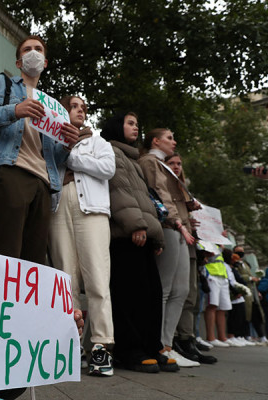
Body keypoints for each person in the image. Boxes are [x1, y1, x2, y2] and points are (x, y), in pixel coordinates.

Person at [0, 35, 79, 265]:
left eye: (38, 49)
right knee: (6, 252)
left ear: (45, 62)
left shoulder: (53, 107)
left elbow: (51, 155)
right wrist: (14, 110)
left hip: (44, 183)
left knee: (34, 261)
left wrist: (67, 145)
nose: (33, 53)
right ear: (18, 62)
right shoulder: (2, 84)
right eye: (27, 49)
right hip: (12, 171)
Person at [100, 113, 175, 373]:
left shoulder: (132, 157)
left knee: (152, 293)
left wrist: (156, 234)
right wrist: (136, 224)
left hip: (142, 232)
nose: (135, 127)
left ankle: (151, 347)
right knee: (130, 295)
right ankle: (130, 351)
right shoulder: (110, 150)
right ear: (115, 127)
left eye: (137, 123)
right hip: (126, 233)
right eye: (130, 123)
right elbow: (118, 190)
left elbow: (144, 198)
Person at [48, 96, 115, 376]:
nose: (80, 110)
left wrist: (71, 155)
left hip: (93, 211)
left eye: (84, 108)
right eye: (74, 106)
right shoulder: (51, 141)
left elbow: (107, 168)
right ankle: (71, 345)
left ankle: (100, 346)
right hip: (59, 208)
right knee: (65, 279)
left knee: (98, 279)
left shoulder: (98, 142)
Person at [138, 128, 200, 368]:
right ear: (155, 141)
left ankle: (167, 344)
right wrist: (176, 220)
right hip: (169, 225)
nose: (174, 142)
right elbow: (159, 195)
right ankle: (159, 345)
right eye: (169, 138)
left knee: (181, 289)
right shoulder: (150, 162)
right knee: (164, 289)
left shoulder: (162, 163)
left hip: (179, 226)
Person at [165, 153, 217, 364]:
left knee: (190, 295)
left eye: (179, 163)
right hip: (176, 240)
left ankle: (187, 338)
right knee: (177, 293)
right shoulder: (166, 188)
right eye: (171, 163)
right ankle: (175, 340)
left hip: (191, 246)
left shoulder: (184, 191)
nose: (176, 166)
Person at [232, 245, 267, 344]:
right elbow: (239, 276)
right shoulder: (235, 264)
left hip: (252, 292)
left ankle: (261, 336)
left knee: (256, 314)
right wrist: (250, 278)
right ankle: (246, 335)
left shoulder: (245, 263)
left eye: (242, 251)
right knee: (246, 315)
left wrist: (256, 286)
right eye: (238, 251)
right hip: (244, 291)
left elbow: (250, 275)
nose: (241, 253)